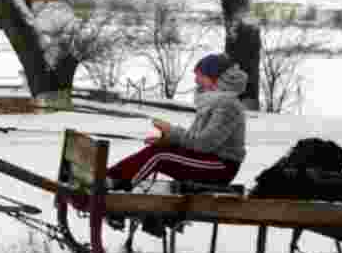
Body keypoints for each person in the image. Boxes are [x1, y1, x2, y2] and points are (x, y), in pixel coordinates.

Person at [105, 53, 248, 192]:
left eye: (200, 75)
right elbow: (196, 141)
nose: (196, 81)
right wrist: (169, 140)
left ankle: (116, 184)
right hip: (209, 160)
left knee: (160, 156)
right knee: (157, 151)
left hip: (221, 166)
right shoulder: (214, 102)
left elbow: (204, 143)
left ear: (215, 78)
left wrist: (172, 132)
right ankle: (108, 176)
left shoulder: (228, 105)